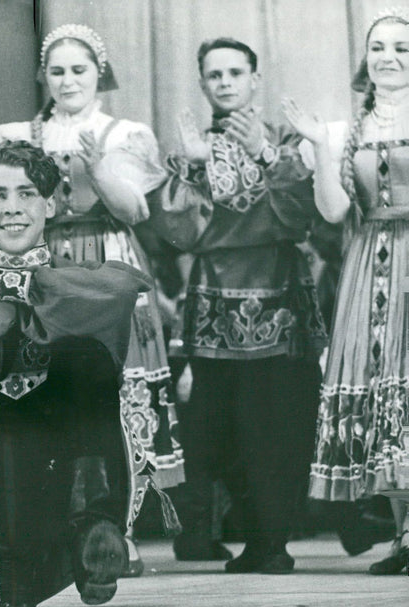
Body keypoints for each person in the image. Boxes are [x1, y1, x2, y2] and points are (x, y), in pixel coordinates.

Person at [0, 141, 171, 607]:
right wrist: (16, 309)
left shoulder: (78, 277)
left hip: (74, 448)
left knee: (83, 356)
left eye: (26, 194)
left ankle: (94, 526)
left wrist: (13, 285)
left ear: (50, 204)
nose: (13, 209)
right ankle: (63, 545)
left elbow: (124, 287)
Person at [0, 25, 182, 574]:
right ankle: (56, 529)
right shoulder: (21, 131)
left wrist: (100, 167)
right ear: (45, 76)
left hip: (105, 262)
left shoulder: (124, 132)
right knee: (53, 394)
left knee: (117, 392)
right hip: (42, 267)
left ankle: (117, 529)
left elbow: (133, 211)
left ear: (99, 74)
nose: (67, 80)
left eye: (78, 70)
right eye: (57, 71)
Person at [148, 37, 327, 574]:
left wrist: (268, 155)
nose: (224, 82)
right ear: (202, 83)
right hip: (213, 304)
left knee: (278, 421)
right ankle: (244, 535)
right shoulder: (190, 144)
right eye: (214, 75)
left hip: (279, 294)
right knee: (221, 425)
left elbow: (300, 218)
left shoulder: (286, 140)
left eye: (234, 72)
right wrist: (196, 167)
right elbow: (180, 231)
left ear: (255, 79)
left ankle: (273, 541)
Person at [284, 6, 409, 575]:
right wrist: (322, 148)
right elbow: (334, 212)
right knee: (380, 389)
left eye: (401, 48)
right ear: (365, 58)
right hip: (368, 264)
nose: (388, 57)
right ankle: (404, 532)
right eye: (378, 47)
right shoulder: (342, 129)